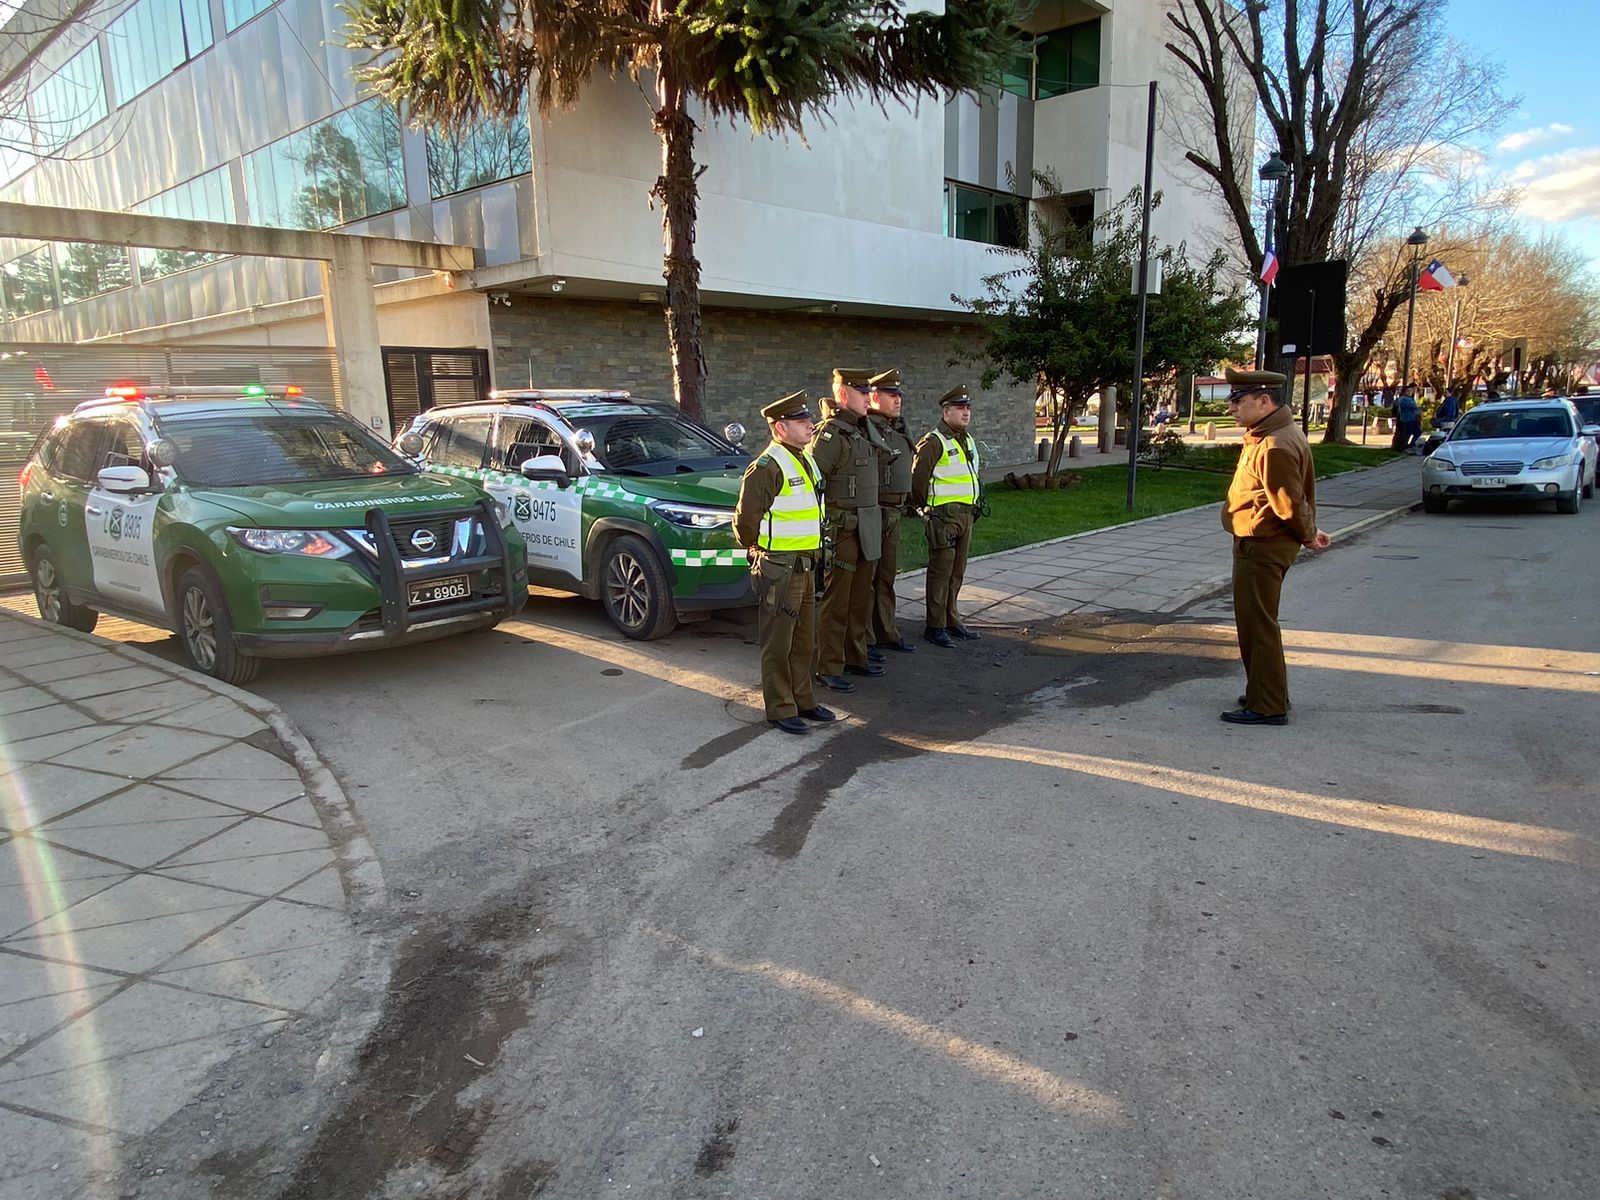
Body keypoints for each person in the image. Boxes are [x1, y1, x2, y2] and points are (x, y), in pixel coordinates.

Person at [1219, 368, 1329, 726]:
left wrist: (1309, 534)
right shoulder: (1271, 434)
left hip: (1263, 544)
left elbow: (1288, 502)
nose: (1232, 409)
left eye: (1238, 401)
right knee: (1256, 622)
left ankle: (1267, 704)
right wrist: (1308, 529)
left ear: (1264, 401)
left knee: (1258, 625)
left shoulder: (1275, 443)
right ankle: (1265, 690)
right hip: (1262, 540)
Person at [733, 391, 839, 735]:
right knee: (779, 641)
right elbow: (745, 521)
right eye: (801, 421)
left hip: (805, 564)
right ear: (780, 428)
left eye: (808, 419)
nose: (810, 425)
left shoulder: (803, 459)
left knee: (805, 639)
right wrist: (758, 548)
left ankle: (803, 699)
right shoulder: (767, 466)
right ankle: (780, 707)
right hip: (779, 567)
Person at [809, 367, 887, 690]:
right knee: (836, 600)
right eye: (861, 391)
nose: (869, 397)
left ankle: (855, 656)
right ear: (843, 395)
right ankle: (828, 666)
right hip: (842, 529)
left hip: (866, 526)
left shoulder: (862, 429)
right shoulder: (830, 436)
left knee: (860, 598)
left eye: (869, 391)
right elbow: (814, 482)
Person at [912, 385, 982, 648]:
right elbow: (918, 480)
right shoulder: (933, 442)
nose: (966, 413)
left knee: (957, 572)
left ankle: (952, 619)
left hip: (966, 516)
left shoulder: (966, 439)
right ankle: (935, 625)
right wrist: (923, 509)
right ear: (946, 411)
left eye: (968, 408)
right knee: (941, 573)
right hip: (943, 518)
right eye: (960, 408)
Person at [866, 368, 918, 656]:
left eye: (899, 394)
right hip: (874, 511)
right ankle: (866, 637)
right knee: (868, 580)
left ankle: (886, 630)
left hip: (894, 512)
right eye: (891, 394)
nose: (898, 400)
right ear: (874, 397)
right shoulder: (868, 428)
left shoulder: (898, 427)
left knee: (886, 577)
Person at [1393, 386, 1422, 453]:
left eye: (1410, 391)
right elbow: (1414, 406)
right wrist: (1417, 408)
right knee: (1408, 434)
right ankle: (1405, 446)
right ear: (1404, 392)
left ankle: (1410, 445)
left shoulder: (1410, 399)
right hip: (1407, 419)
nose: (1410, 392)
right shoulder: (1403, 399)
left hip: (1412, 419)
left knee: (1417, 432)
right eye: (1408, 391)